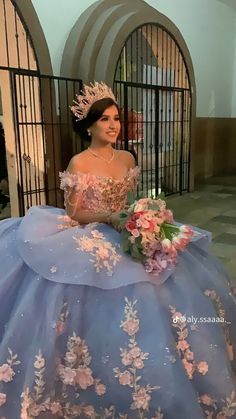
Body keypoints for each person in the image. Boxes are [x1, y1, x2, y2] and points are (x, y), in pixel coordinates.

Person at [0, 82, 235, 419]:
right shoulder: (79, 163)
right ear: (90, 125)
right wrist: (109, 216)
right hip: (90, 230)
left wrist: (141, 217)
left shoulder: (127, 157)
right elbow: (74, 214)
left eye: (116, 119)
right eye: (105, 120)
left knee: (165, 277)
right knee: (93, 284)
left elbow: (127, 201)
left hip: (125, 228)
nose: (113, 126)